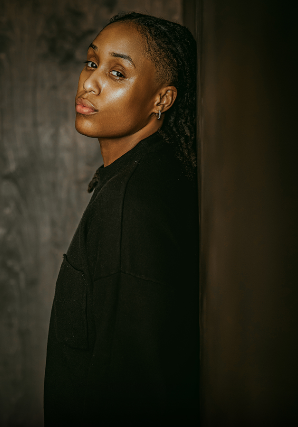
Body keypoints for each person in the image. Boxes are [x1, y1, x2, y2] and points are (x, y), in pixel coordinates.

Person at [44, 12, 199, 426]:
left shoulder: (133, 201)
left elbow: (136, 386)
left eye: (117, 73)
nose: (89, 83)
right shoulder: (138, 176)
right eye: (92, 63)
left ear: (161, 100)